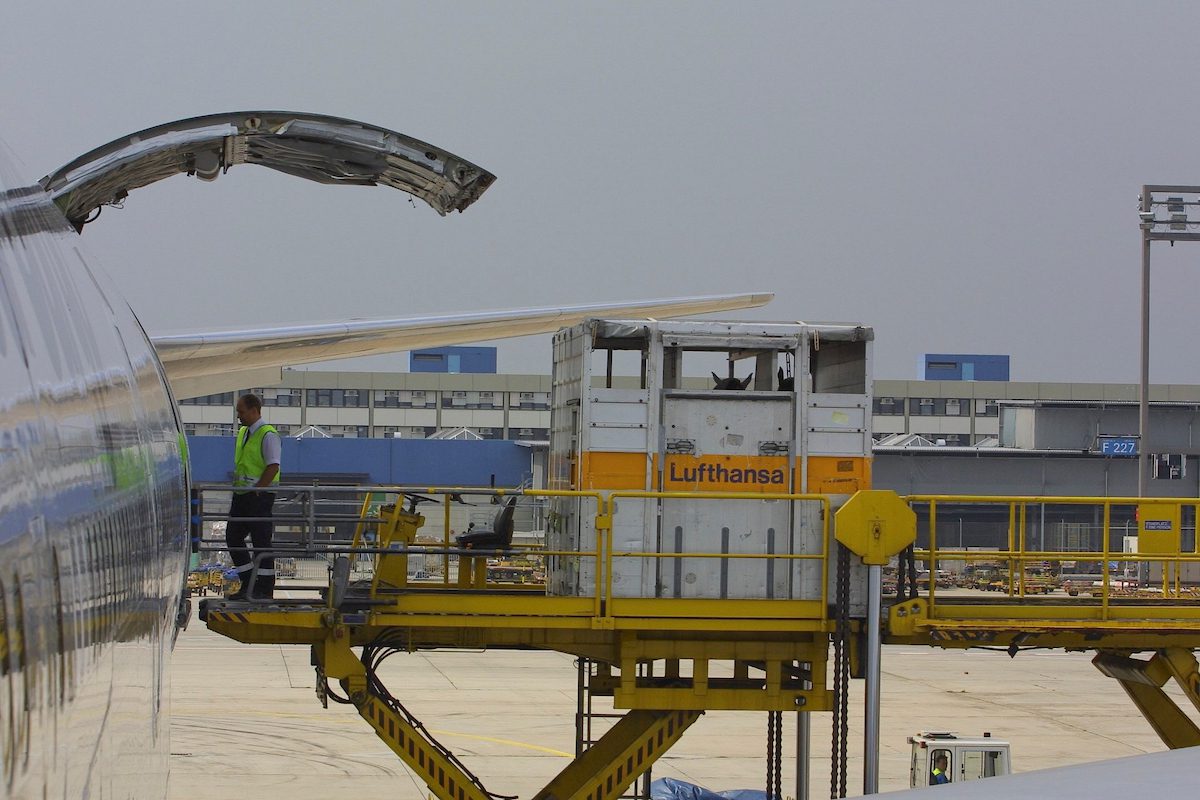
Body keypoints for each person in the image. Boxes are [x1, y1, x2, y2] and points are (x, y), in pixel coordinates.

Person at [226, 393, 281, 600]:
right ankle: (248, 582)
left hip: (259, 497)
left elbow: (273, 465)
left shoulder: (268, 434)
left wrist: (260, 487)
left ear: (254, 410)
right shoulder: (244, 433)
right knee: (233, 537)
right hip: (242, 495)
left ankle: (264, 588)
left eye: (241, 411)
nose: (239, 415)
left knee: (261, 542)